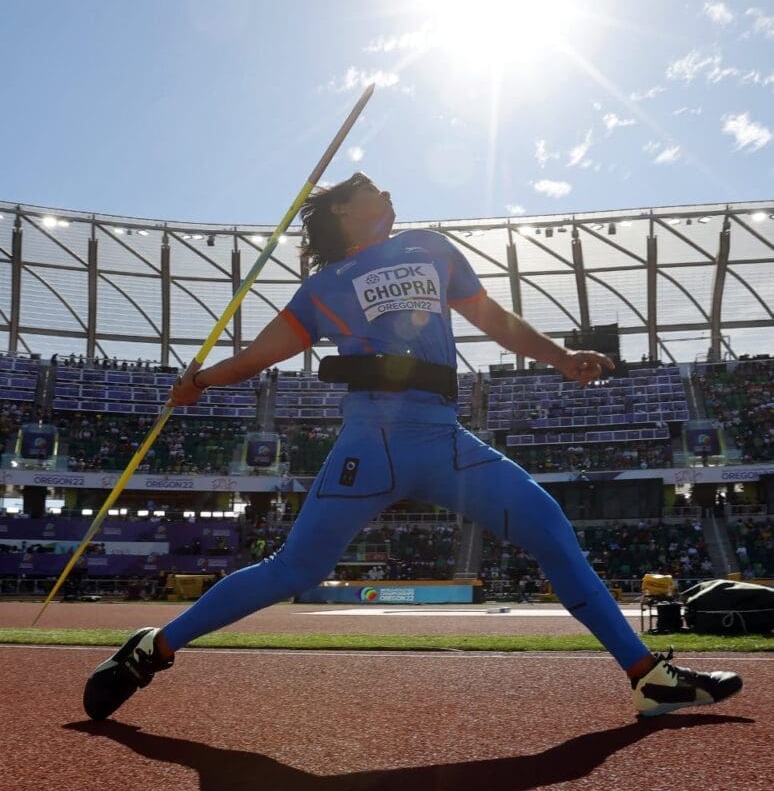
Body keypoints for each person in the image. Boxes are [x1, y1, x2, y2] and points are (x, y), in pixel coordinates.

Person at [83, 172, 742, 721]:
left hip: (445, 442)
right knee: (296, 570)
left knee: (548, 525)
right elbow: (258, 356)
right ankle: (152, 647)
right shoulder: (321, 288)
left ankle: (647, 677)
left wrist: (561, 356)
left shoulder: (429, 246)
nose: (388, 193)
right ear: (340, 206)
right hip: (370, 444)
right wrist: (197, 381)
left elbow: (492, 318)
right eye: (371, 188)